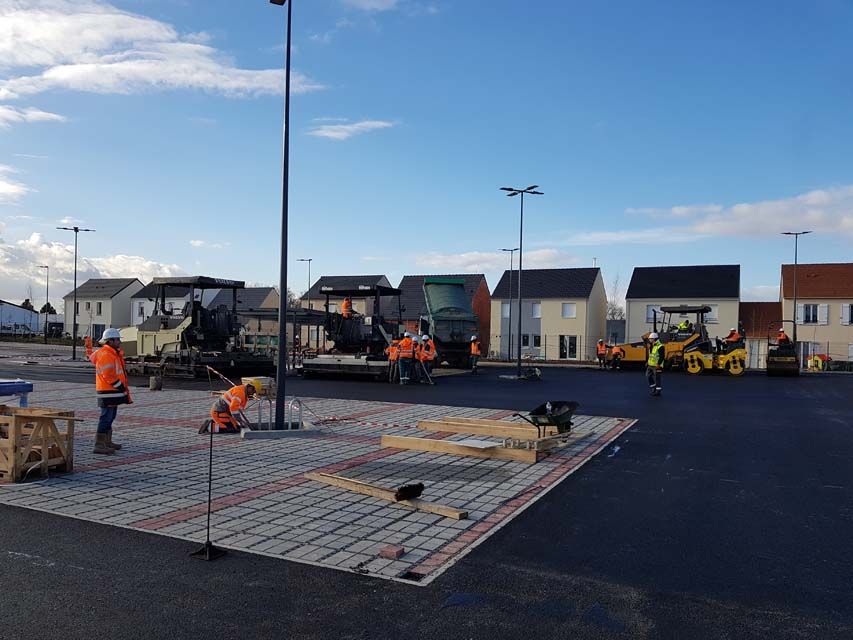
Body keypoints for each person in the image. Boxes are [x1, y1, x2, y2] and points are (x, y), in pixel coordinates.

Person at [88, 328, 131, 454]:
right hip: (108, 391)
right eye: (117, 339)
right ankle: (99, 444)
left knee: (110, 417)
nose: (119, 342)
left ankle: (107, 442)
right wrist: (120, 386)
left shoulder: (112, 353)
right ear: (110, 341)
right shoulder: (106, 354)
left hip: (111, 392)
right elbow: (108, 375)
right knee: (106, 417)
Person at [646, 332, 665, 397]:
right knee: (648, 376)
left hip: (657, 366)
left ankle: (658, 391)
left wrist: (658, 364)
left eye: (650, 339)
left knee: (657, 378)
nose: (649, 340)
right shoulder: (652, 345)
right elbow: (651, 355)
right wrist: (647, 362)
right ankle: (653, 387)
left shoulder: (660, 346)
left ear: (654, 339)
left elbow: (662, 356)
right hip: (650, 365)